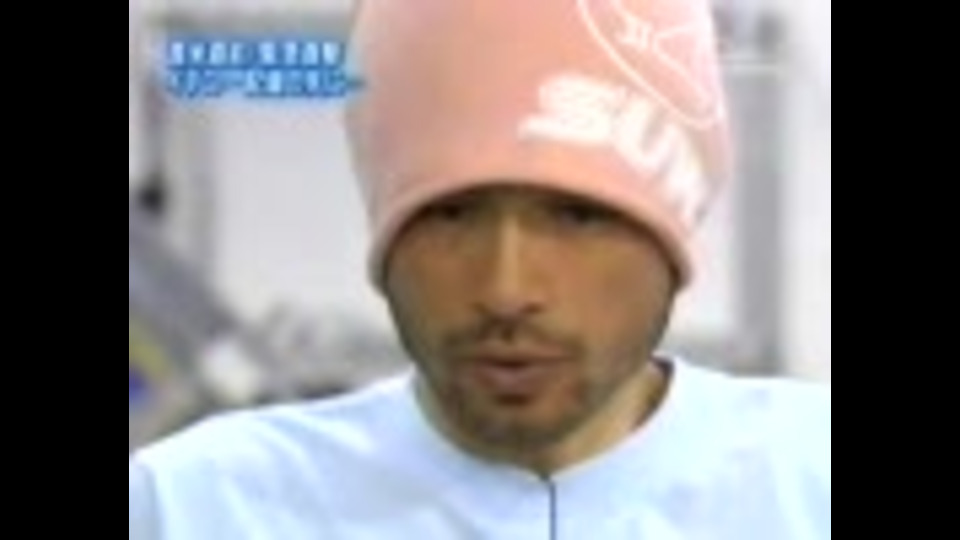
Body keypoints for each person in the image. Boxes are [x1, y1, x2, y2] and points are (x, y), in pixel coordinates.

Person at [129, 0, 831, 538]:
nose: (506, 289)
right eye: (450, 215)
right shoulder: (195, 509)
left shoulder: (806, 485)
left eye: (576, 215)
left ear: (672, 242)